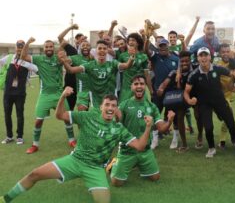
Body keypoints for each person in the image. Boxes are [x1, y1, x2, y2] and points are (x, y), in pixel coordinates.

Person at [0, 87, 152, 203]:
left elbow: (139, 146)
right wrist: (62, 96)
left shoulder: (119, 129)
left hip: (95, 169)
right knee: (35, 174)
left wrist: (148, 127)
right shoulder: (88, 116)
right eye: (107, 105)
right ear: (101, 107)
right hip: (75, 160)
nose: (110, 108)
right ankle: (5, 199)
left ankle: (108, 167)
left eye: (113, 105)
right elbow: (60, 115)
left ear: (116, 108)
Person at [110, 75, 175, 186]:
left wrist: (169, 121)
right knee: (117, 183)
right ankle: (113, 163)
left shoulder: (152, 107)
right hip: (127, 150)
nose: (139, 86)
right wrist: (116, 116)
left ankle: (138, 163)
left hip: (145, 150)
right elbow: (117, 121)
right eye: (136, 84)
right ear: (131, 87)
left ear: (145, 86)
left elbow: (161, 129)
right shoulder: (124, 104)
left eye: (141, 84)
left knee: (155, 177)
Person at [184, 47, 235, 158]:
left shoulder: (218, 68)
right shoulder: (194, 74)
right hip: (204, 103)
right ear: (197, 58)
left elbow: (231, 73)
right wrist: (189, 100)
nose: (204, 58)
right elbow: (186, 92)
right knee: (208, 127)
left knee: (230, 120)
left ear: (210, 57)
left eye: (205, 55)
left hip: (219, 100)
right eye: (201, 55)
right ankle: (211, 148)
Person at [20, 37, 76, 154]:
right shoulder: (39, 59)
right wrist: (28, 43)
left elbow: (70, 63)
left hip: (59, 95)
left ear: (53, 48)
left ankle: (72, 140)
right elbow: (23, 56)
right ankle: (35, 145)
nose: (49, 48)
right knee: (38, 121)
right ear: (43, 49)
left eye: (51, 46)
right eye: (47, 47)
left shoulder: (58, 58)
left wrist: (64, 58)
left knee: (66, 118)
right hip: (45, 95)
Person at [60, 40, 135, 109]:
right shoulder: (90, 65)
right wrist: (63, 61)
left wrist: (131, 57)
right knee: (83, 110)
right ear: (96, 50)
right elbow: (71, 70)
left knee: (117, 117)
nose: (102, 50)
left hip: (110, 99)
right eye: (100, 48)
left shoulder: (113, 63)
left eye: (104, 49)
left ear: (107, 51)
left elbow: (126, 66)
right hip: (95, 99)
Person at [157, 51, 197, 151]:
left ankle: (200, 135)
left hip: (195, 96)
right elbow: (165, 82)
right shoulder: (174, 72)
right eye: (182, 61)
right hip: (181, 98)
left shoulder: (196, 69)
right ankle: (184, 144)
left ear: (190, 60)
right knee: (179, 117)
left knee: (198, 116)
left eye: (186, 61)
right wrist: (161, 88)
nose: (184, 63)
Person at [1, 40, 38, 145]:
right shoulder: (8, 58)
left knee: (19, 115)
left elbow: (37, 69)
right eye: (18, 47)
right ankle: (9, 136)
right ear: (15, 48)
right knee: (7, 115)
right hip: (8, 93)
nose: (19, 49)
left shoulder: (27, 62)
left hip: (20, 94)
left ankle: (20, 137)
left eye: (21, 47)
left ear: (24, 49)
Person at [144, 37, 179, 149]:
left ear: (168, 46)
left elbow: (178, 73)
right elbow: (146, 50)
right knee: (155, 115)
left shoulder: (175, 58)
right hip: (157, 92)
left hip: (172, 92)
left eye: (164, 45)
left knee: (173, 116)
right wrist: (147, 37)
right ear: (158, 48)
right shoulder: (156, 57)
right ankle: (154, 139)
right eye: (160, 46)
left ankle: (175, 138)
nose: (163, 48)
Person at [215, 43, 235, 150]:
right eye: (223, 52)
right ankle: (228, 140)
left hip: (231, 95)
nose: (225, 54)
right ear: (220, 53)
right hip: (220, 97)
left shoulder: (234, 64)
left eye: (227, 51)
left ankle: (224, 141)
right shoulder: (217, 65)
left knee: (227, 118)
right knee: (228, 116)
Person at [59, 39, 94, 111]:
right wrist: (61, 50)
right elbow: (64, 60)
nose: (85, 47)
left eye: (87, 45)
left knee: (98, 115)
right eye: (83, 45)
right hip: (82, 91)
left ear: (90, 48)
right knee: (81, 113)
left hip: (95, 91)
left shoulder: (95, 59)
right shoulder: (75, 58)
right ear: (80, 48)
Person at [117, 33, 152, 102]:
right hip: (126, 88)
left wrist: (151, 90)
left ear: (138, 43)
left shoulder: (143, 56)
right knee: (124, 109)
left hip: (139, 88)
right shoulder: (122, 56)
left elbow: (146, 75)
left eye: (133, 40)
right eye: (129, 40)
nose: (130, 42)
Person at [57, 24, 82, 110]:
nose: (82, 41)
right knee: (69, 109)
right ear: (76, 40)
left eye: (84, 40)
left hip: (84, 85)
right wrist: (70, 27)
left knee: (83, 110)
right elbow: (60, 37)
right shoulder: (72, 49)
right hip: (71, 82)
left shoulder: (90, 53)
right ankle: (69, 123)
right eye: (80, 39)